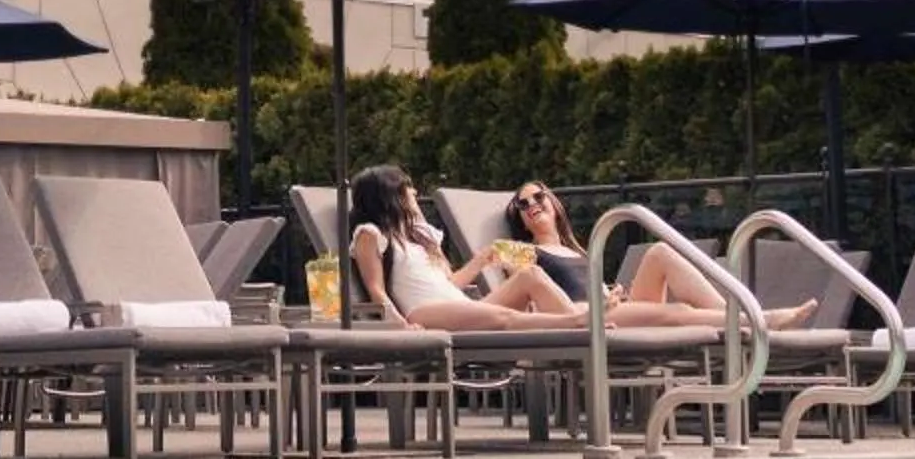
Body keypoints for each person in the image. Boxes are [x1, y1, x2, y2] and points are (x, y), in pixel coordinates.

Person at [492, 176, 819, 330]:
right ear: (519, 217)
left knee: (660, 252)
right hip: (586, 315)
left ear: (553, 202)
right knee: (679, 314)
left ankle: (737, 319)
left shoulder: (575, 249)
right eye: (523, 204)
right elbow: (526, 290)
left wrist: (610, 291)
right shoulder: (523, 251)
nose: (533, 205)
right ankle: (760, 320)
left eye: (539, 196)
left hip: (610, 305)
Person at [348, 164, 583, 331]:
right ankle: (576, 323)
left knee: (531, 274)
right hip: (425, 312)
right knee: (506, 318)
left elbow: (449, 282)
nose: (414, 192)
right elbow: (376, 290)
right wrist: (401, 325)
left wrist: (482, 259)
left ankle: (579, 323)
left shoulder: (419, 235)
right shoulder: (370, 234)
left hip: (461, 306)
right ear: (390, 195)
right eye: (407, 188)